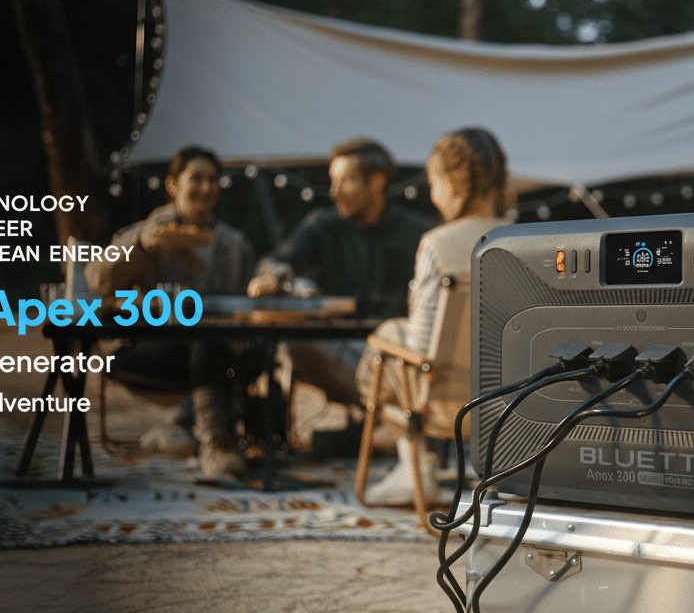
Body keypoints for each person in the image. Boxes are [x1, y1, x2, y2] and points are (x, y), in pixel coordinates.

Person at [356, 127, 510, 506]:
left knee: (385, 343)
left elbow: (423, 347)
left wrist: (385, 334)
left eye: (433, 183)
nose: (431, 194)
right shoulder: (525, 237)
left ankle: (415, 470)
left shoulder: (437, 244)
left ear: (453, 186)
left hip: (447, 407)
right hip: (514, 403)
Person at [84, 145, 255, 478]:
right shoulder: (145, 233)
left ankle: (180, 424)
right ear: (173, 185)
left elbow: (247, 304)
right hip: (153, 349)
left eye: (213, 180)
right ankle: (216, 443)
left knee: (239, 345)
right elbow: (97, 281)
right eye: (197, 178)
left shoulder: (234, 244)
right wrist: (144, 246)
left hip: (216, 354)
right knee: (207, 338)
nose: (206, 188)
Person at [247, 138, 433, 405]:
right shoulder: (325, 226)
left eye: (345, 182)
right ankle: (382, 417)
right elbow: (278, 260)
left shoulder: (418, 233)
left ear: (377, 183)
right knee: (297, 343)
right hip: (340, 348)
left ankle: (378, 419)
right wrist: (275, 273)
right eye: (333, 182)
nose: (335, 192)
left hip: (401, 351)